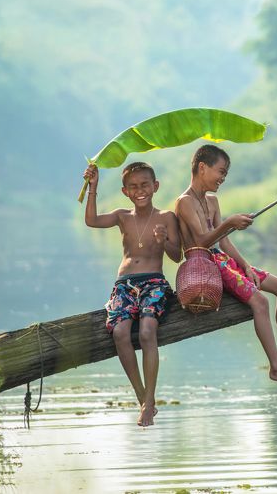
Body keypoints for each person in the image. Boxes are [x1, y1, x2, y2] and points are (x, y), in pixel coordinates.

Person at [175, 144, 277, 388]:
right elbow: (201, 241)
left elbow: (224, 242)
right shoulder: (184, 202)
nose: (222, 178)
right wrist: (229, 222)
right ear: (202, 167)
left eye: (225, 174)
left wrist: (246, 265)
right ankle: (276, 366)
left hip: (224, 261)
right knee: (260, 302)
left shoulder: (212, 200)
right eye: (220, 172)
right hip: (205, 265)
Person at [83, 161, 182, 426]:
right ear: (126, 191)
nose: (140, 191)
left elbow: (177, 255)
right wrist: (93, 187)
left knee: (148, 331)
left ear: (155, 186)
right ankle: (143, 399)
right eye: (134, 187)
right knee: (120, 333)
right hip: (125, 284)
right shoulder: (121, 216)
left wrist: (165, 241)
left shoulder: (166, 217)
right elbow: (91, 221)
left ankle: (149, 401)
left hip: (154, 283)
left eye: (145, 185)